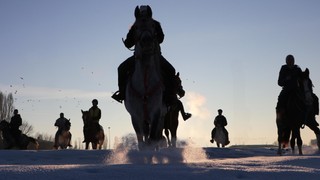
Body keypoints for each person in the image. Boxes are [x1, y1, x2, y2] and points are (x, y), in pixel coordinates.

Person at [111, 5, 182, 106]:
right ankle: (122, 93)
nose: (143, 16)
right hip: (140, 57)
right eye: (142, 14)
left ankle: (170, 96)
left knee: (171, 71)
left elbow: (159, 39)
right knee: (121, 68)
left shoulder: (145, 25)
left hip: (153, 56)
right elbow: (160, 39)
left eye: (144, 13)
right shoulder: (145, 25)